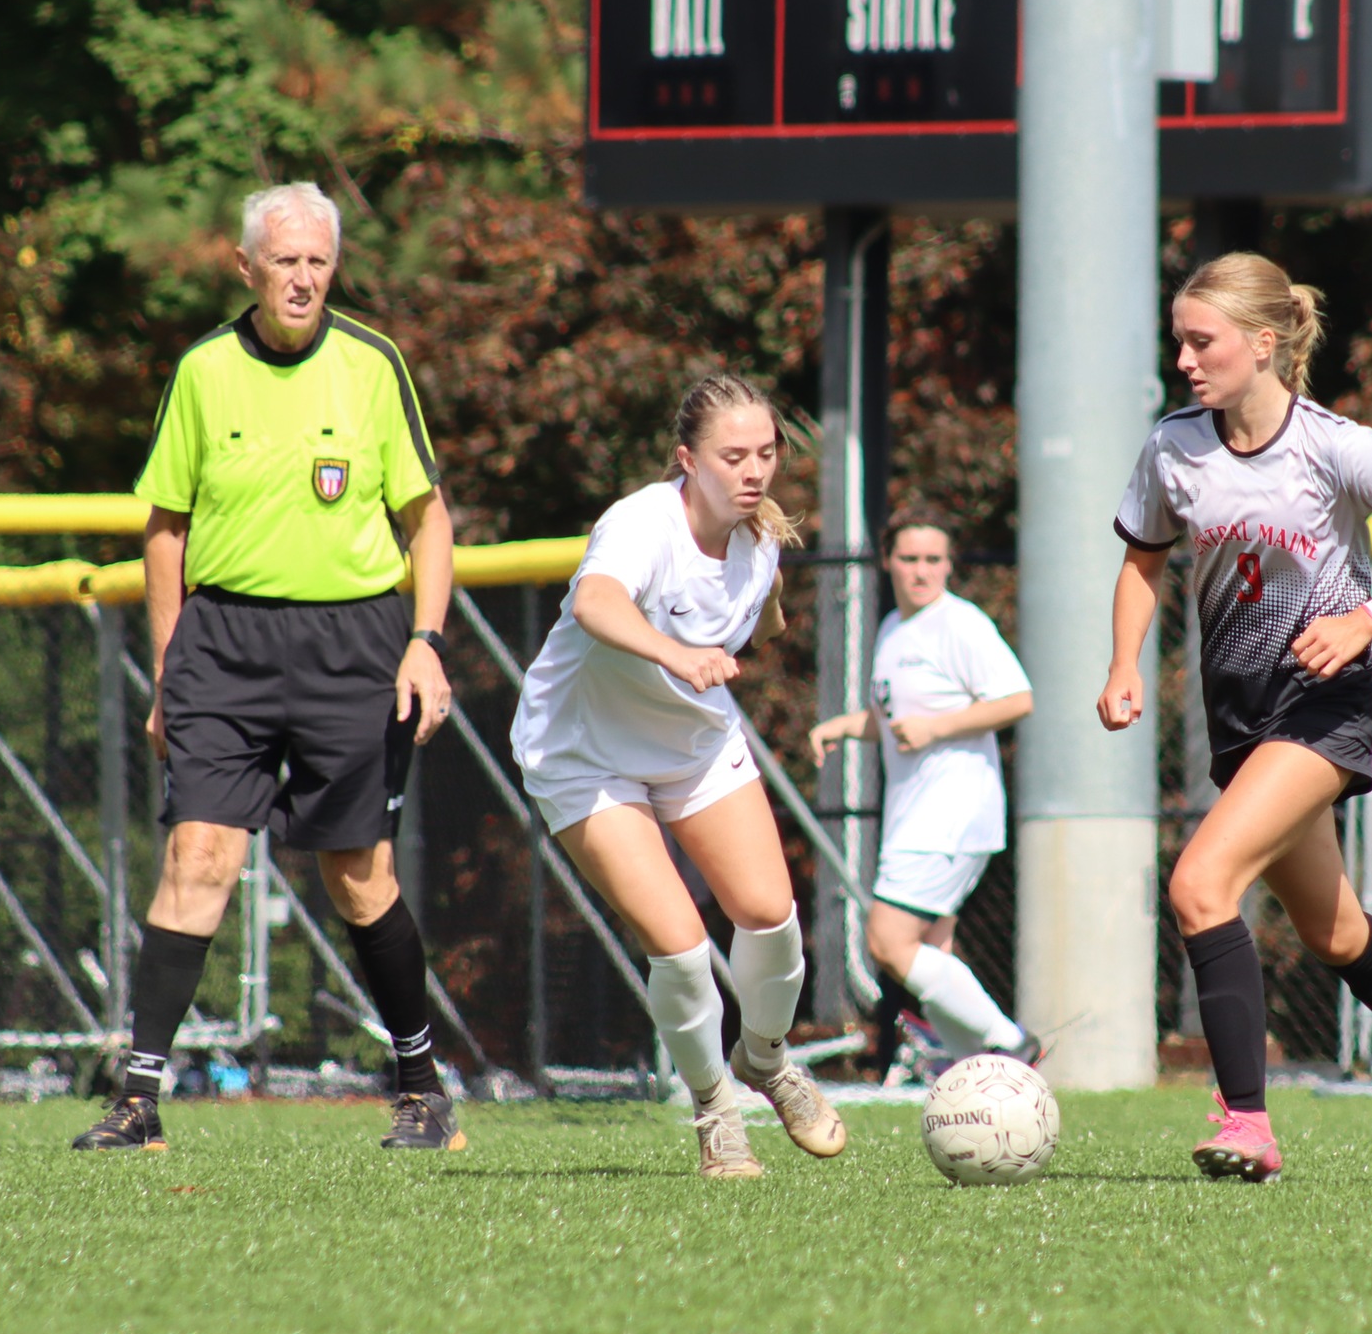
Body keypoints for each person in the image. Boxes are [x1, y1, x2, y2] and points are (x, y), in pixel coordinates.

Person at [1099, 251, 1372, 1182]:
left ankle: (1245, 1118)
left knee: (1201, 883)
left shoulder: (1333, 445)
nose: (1187, 360)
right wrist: (1123, 663)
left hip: (1323, 709)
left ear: (1264, 343)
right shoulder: (1173, 446)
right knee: (1334, 933)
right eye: (1180, 342)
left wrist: (1367, 618)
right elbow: (1141, 562)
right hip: (1239, 720)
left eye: (1203, 342)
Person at [73, 181, 463, 1153]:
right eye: (283, 260)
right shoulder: (203, 370)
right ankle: (139, 1098)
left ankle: (420, 1087)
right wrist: (170, 669)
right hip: (224, 645)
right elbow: (165, 528)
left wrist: (426, 641)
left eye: (317, 261)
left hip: (354, 643)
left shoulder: (372, 364)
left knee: (355, 874)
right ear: (244, 267)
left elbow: (428, 520)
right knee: (198, 853)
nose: (302, 277)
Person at [510, 373, 846, 1180]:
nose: (753, 470)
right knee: (684, 949)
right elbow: (596, 603)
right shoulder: (641, 522)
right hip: (583, 754)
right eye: (733, 456)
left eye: (765, 453)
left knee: (769, 913)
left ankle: (765, 1060)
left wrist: (748, 628)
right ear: (685, 460)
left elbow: (761, 612)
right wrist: (677, 653)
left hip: (690, 744)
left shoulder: (759, 539)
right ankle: (715, 1111)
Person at [809, 512, 1040, 1067]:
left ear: (949, 565)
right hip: (916, 815)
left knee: (887, 941)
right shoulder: (893, 628)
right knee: (934, 951)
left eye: (933, 560)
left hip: (952, 811)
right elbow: (897, 717)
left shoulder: (960, 624)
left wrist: (936, 728)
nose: (921, 571)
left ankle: (1011, 1043)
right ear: (888, 561)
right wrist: (847, 725)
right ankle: (971, 1077)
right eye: (909, 559)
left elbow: (1017, 699)